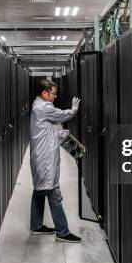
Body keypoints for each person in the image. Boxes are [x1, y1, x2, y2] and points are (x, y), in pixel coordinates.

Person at [29, 79, 81, 243]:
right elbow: (61, 114)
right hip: (45, 158)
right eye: (53, 93)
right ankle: (62, 231)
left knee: (39, 190)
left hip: (41, 154)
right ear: (44, 93)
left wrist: (61, 135)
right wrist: (73, 110)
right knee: (53, 192)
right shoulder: (43, 107)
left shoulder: (38, 106)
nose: (55, 96)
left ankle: (36, 225)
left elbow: (49, 127)